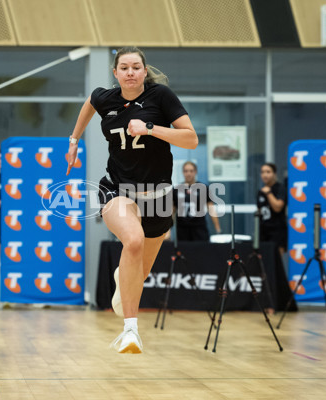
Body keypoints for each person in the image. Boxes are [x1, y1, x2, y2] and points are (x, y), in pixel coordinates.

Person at [66, 46, 197, 353]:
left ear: (144, 70)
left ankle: (121, 281)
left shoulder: (161, 96)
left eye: (136, 67)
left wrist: (151, 129)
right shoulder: (105, 97)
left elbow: (191, 138)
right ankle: (130, 331)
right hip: (117, 189)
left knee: (142, 269)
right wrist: (73, 140)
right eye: (124, 67)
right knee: (133, 241)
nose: (130, 72)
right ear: (116, 73)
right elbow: (88, 105)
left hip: (159, 197)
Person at [173, 161, 221, 241]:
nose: (188, 173)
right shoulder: (176, 190)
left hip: (199, 228)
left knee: (201, 252)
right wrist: (167, 230)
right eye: (186, 171)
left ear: (195, 172)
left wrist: (217, 228)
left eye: (191, 171)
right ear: (183, 172)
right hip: (182, 229)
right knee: (184, 252)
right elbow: (172, 211)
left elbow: (211, 209)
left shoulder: (203, 188)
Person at [257, 162, 287, 256]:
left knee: (276, 262)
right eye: (262, 172)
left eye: (268, 172)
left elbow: (278, 207)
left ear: (274, 174)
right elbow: (259, 211)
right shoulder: (261, 191)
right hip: (263, 231)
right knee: (264, 262)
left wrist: (269, 193)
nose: (265, 175)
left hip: (277, 231)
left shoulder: (280, 188)